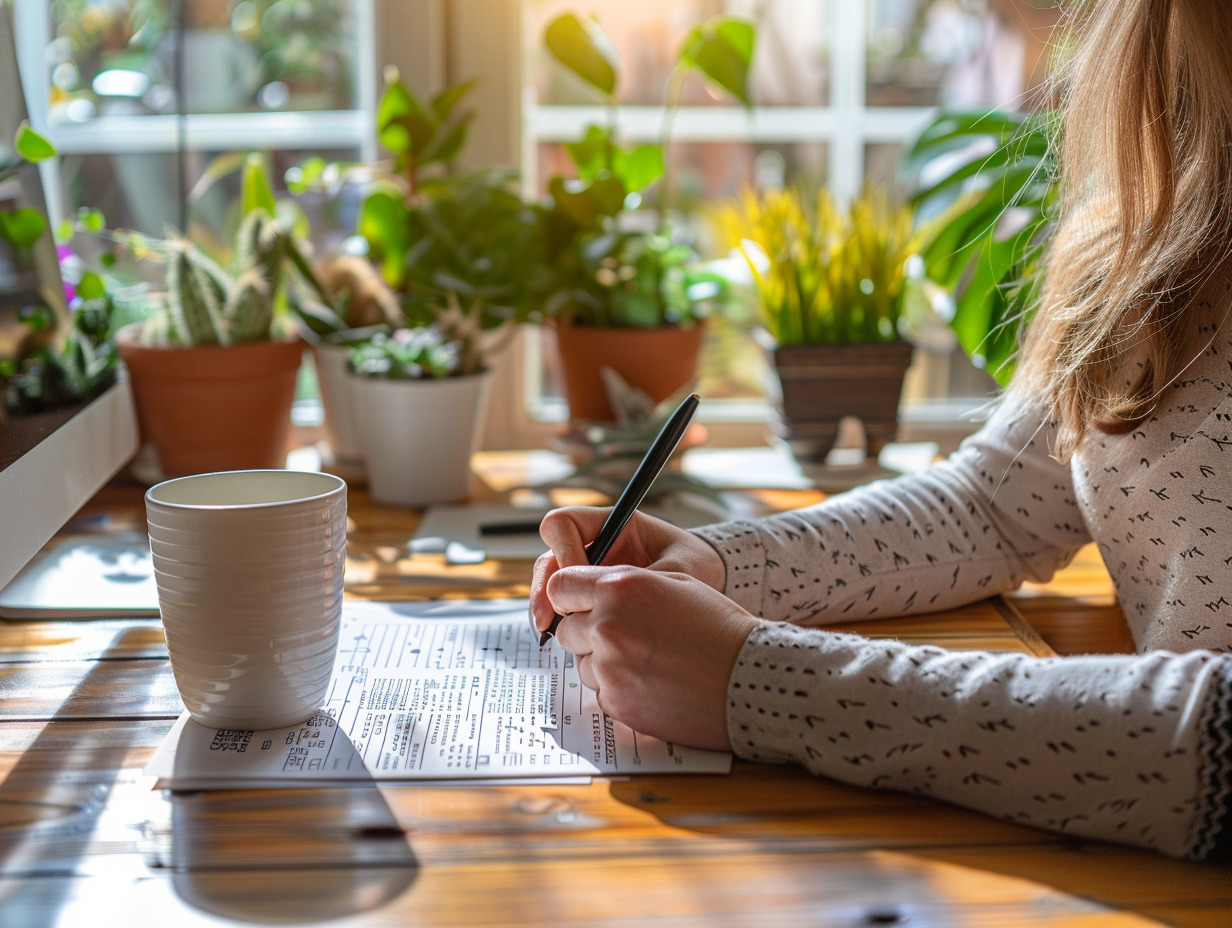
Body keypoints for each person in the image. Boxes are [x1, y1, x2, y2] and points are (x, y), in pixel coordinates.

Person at [529, 0, 1232, 862]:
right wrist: (718, 565)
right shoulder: (1158, 230)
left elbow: (1218, 744)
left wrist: (755, 682)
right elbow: (994, 507)